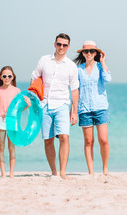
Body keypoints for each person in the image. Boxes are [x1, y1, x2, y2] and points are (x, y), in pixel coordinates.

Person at [31, 33, 79, 179]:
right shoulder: (44, 60)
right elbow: (34, 78)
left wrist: (74, 111)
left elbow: (75, 89)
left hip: (63, 104)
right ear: (54, 44)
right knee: (48, 139)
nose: (61, 47)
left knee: (64, 137)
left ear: (68, 47)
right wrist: (34, 100)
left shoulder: (71, 66)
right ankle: (54, 172)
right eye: (59, 44)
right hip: (45, 103)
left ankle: (63, 172)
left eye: (64, 45)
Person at [73, 41, 112, 175]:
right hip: (84, 109)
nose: (88, 54)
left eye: (91, 51)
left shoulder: (100, 67)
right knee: (89, 141)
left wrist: (103, 61)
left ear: (96, 53)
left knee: (104, 140)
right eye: (86, 51)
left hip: (101, 107)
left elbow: (107, 79)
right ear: (82, 53)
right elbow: (74, 90)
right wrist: (74, 110)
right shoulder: (78, 70)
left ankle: (105, 169)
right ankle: (91, 171)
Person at [0, 66, 30, 178]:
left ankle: (11, 173)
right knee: (1, 147)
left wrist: (28, 105)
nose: (7, 78)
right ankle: (3, 173)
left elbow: (19, 109)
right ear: (0, 77)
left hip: (12, 121)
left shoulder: (17, 91)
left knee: (11, 147)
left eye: (9, 76)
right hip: (0, 121)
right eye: (4, 76)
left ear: (13, 77)